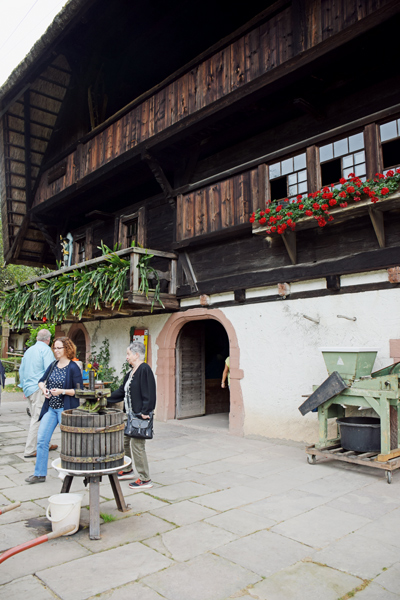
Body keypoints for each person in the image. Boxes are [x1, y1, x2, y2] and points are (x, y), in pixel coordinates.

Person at [25, 337, 83, 484]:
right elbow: (41, 381)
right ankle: (39, 474)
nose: (56, 351)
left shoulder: (73, 367)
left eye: (59, 348)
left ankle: (73, 470)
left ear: (67, 349)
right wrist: (44, 389)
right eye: (55, 348)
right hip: (51, 409)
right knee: (42, 440)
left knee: (70, 442)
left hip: (65, 410)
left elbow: (79, 391)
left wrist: (62, 391)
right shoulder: (53, 365)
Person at [108, 341, 156, 489]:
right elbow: (121, 392)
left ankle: (145, 479)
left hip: (140, 416)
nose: (126, 357)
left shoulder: (144, 369)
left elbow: (150, 391)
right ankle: (127, 469)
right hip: (129, 415)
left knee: (137, 445)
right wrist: (104, 398)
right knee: (123, 441)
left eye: (128, 354)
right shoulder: (130, 373)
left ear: (136, 355)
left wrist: (146, 411)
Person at [19, 329, 58, 459]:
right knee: (38, 418)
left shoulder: (29, 350)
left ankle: (46, 442)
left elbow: (21, 370)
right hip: (39, 388)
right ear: (48, 339)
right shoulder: (46, 350)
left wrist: (23, 386)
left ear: (37, 338)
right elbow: (50, 370)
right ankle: (30, 450)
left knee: (39, 417)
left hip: (29, 388)